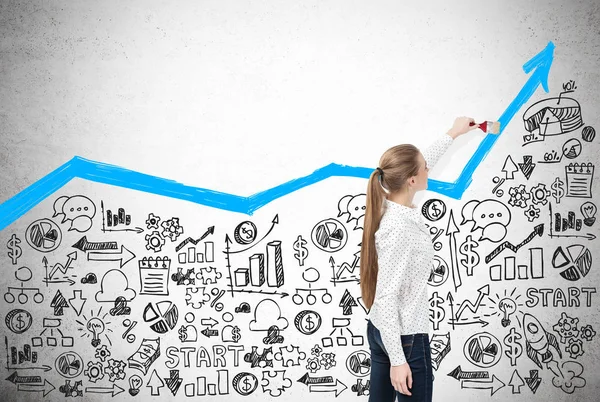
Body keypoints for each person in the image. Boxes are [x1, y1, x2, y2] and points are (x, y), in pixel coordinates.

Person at [360, 116, 478, 402]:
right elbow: (386, 297)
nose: (429, 168)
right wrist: (399, 361)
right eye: (424, 167)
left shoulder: (394, 205)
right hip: (405, 337)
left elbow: (421, 162)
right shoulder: (399, 228)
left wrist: (453, 133)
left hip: (381, 329)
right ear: (412, 180)